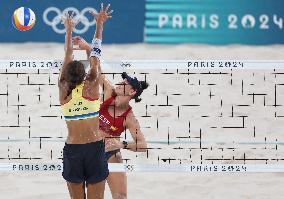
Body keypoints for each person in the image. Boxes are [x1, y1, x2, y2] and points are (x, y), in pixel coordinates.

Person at [72, 36, 148, 199]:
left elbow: (143, 146)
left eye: (125, 82)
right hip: (89, 149)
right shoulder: (109, 91)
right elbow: (95, 69)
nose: (121, 82)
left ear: (132, 92)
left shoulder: (130, 118)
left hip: (110, 153)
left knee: (120, 196)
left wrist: (122, 143)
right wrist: (87, 49)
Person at [58, 4, 112, 199]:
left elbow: (67, 54)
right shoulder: (93, 85)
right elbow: (96, 53)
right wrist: (99, 24)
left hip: (73, 149)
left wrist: (69, 30)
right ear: (85, 73)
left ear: (66, 75)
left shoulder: (64, 90)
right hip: (94, 147)